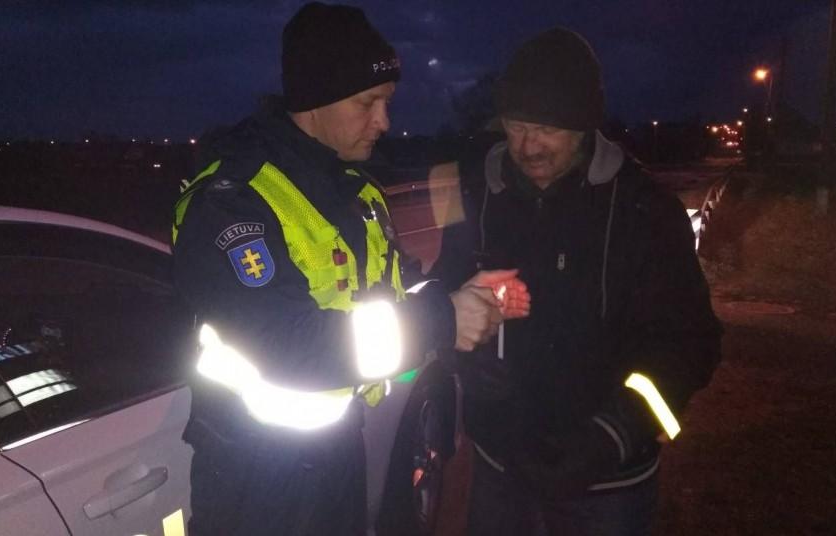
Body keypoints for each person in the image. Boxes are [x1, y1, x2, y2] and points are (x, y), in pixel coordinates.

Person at [170, 3, 529, 535]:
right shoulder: (233, 203)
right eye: (367, 103)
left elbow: (389, 295)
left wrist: (461, 294)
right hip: (255, 482)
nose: (384, 121)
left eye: (387, 102)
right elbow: (287, 343)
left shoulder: (356, 193)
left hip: (337, 454)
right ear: (315, 100)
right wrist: (443, 319)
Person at [428, 28, 722, 535]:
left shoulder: (645, 211)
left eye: (546, 128)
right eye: (516, 126)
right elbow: (445, 295)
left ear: (584, 125)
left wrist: (614, 433)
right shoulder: (476, 196)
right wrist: (463, 360)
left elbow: (691, 343)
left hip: (609, 484)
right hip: (501, 468)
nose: (527, 146)